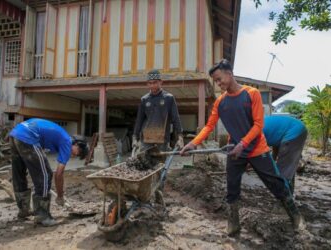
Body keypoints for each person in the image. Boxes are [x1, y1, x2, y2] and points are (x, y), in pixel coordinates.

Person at [180, 59, 305, 236]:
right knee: (232, 186)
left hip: (257, 150)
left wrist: (243, 143)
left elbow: (258, 125)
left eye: (219, 79)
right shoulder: (220, 102)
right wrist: (193, 143)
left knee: (275, 183)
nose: (218, 83)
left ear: (229, 74)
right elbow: (209, 126)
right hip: (235, 150)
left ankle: (296, 217)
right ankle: (233, 224)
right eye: (215, 81)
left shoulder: (251, 94)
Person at [9, 118, 88, 226]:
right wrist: (60, 196)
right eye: (78, 153)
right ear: (77, 144)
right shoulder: (67, 142)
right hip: (28, 136)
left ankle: (24, 210)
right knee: (45, 174)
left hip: (15, 134)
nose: (74, 156)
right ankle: (42, 215)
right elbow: (58, 174)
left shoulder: (60, 136)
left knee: (19, 173)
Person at [132, 69, 184, 153]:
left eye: (155, 82)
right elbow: (139, 120)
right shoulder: (144, 99)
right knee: (144, 162)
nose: (152, 85)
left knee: (160, 162)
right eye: (150, 83)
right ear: (147, 84)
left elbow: (175, 118)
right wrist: (135, 137)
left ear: (161, 82)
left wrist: (180, 137)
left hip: (162, 138)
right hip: (146, 138)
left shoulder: (168, 98)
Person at [263, 115, 308, 193]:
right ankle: (288, 191)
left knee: (284, 167)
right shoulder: (262, 123)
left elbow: (259, 153)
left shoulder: (255, 130)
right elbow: (276, 144)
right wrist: (273, 159)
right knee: (288, 166)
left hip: (293, 132)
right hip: (297, 128)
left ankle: (285, 195)